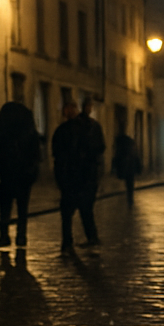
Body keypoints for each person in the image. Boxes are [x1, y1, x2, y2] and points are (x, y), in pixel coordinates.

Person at [51, 99, 105, 254]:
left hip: (78, 176)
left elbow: (93, 150)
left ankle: (75, 241)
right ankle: (75, 240)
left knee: (77, 210)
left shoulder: (84, 128)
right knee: (77, 210)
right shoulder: (72, 129)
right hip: (76, 176)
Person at [0, 100, 41, 249]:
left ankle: (5, 236)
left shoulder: (4, 130)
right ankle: (21, 236)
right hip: (23, 175)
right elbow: (35, 153)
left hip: (8, 174)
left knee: (5, 207)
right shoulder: (28, 130)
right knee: (22, 208)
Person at [112, 129, 141, 205]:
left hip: (128, 168)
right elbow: (136, 158)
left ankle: (130, 199)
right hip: (130, 169)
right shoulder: (130, 148)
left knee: (129, 184)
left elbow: (116, 158)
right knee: (130, 184)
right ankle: (130, 199)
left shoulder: (121, 148)